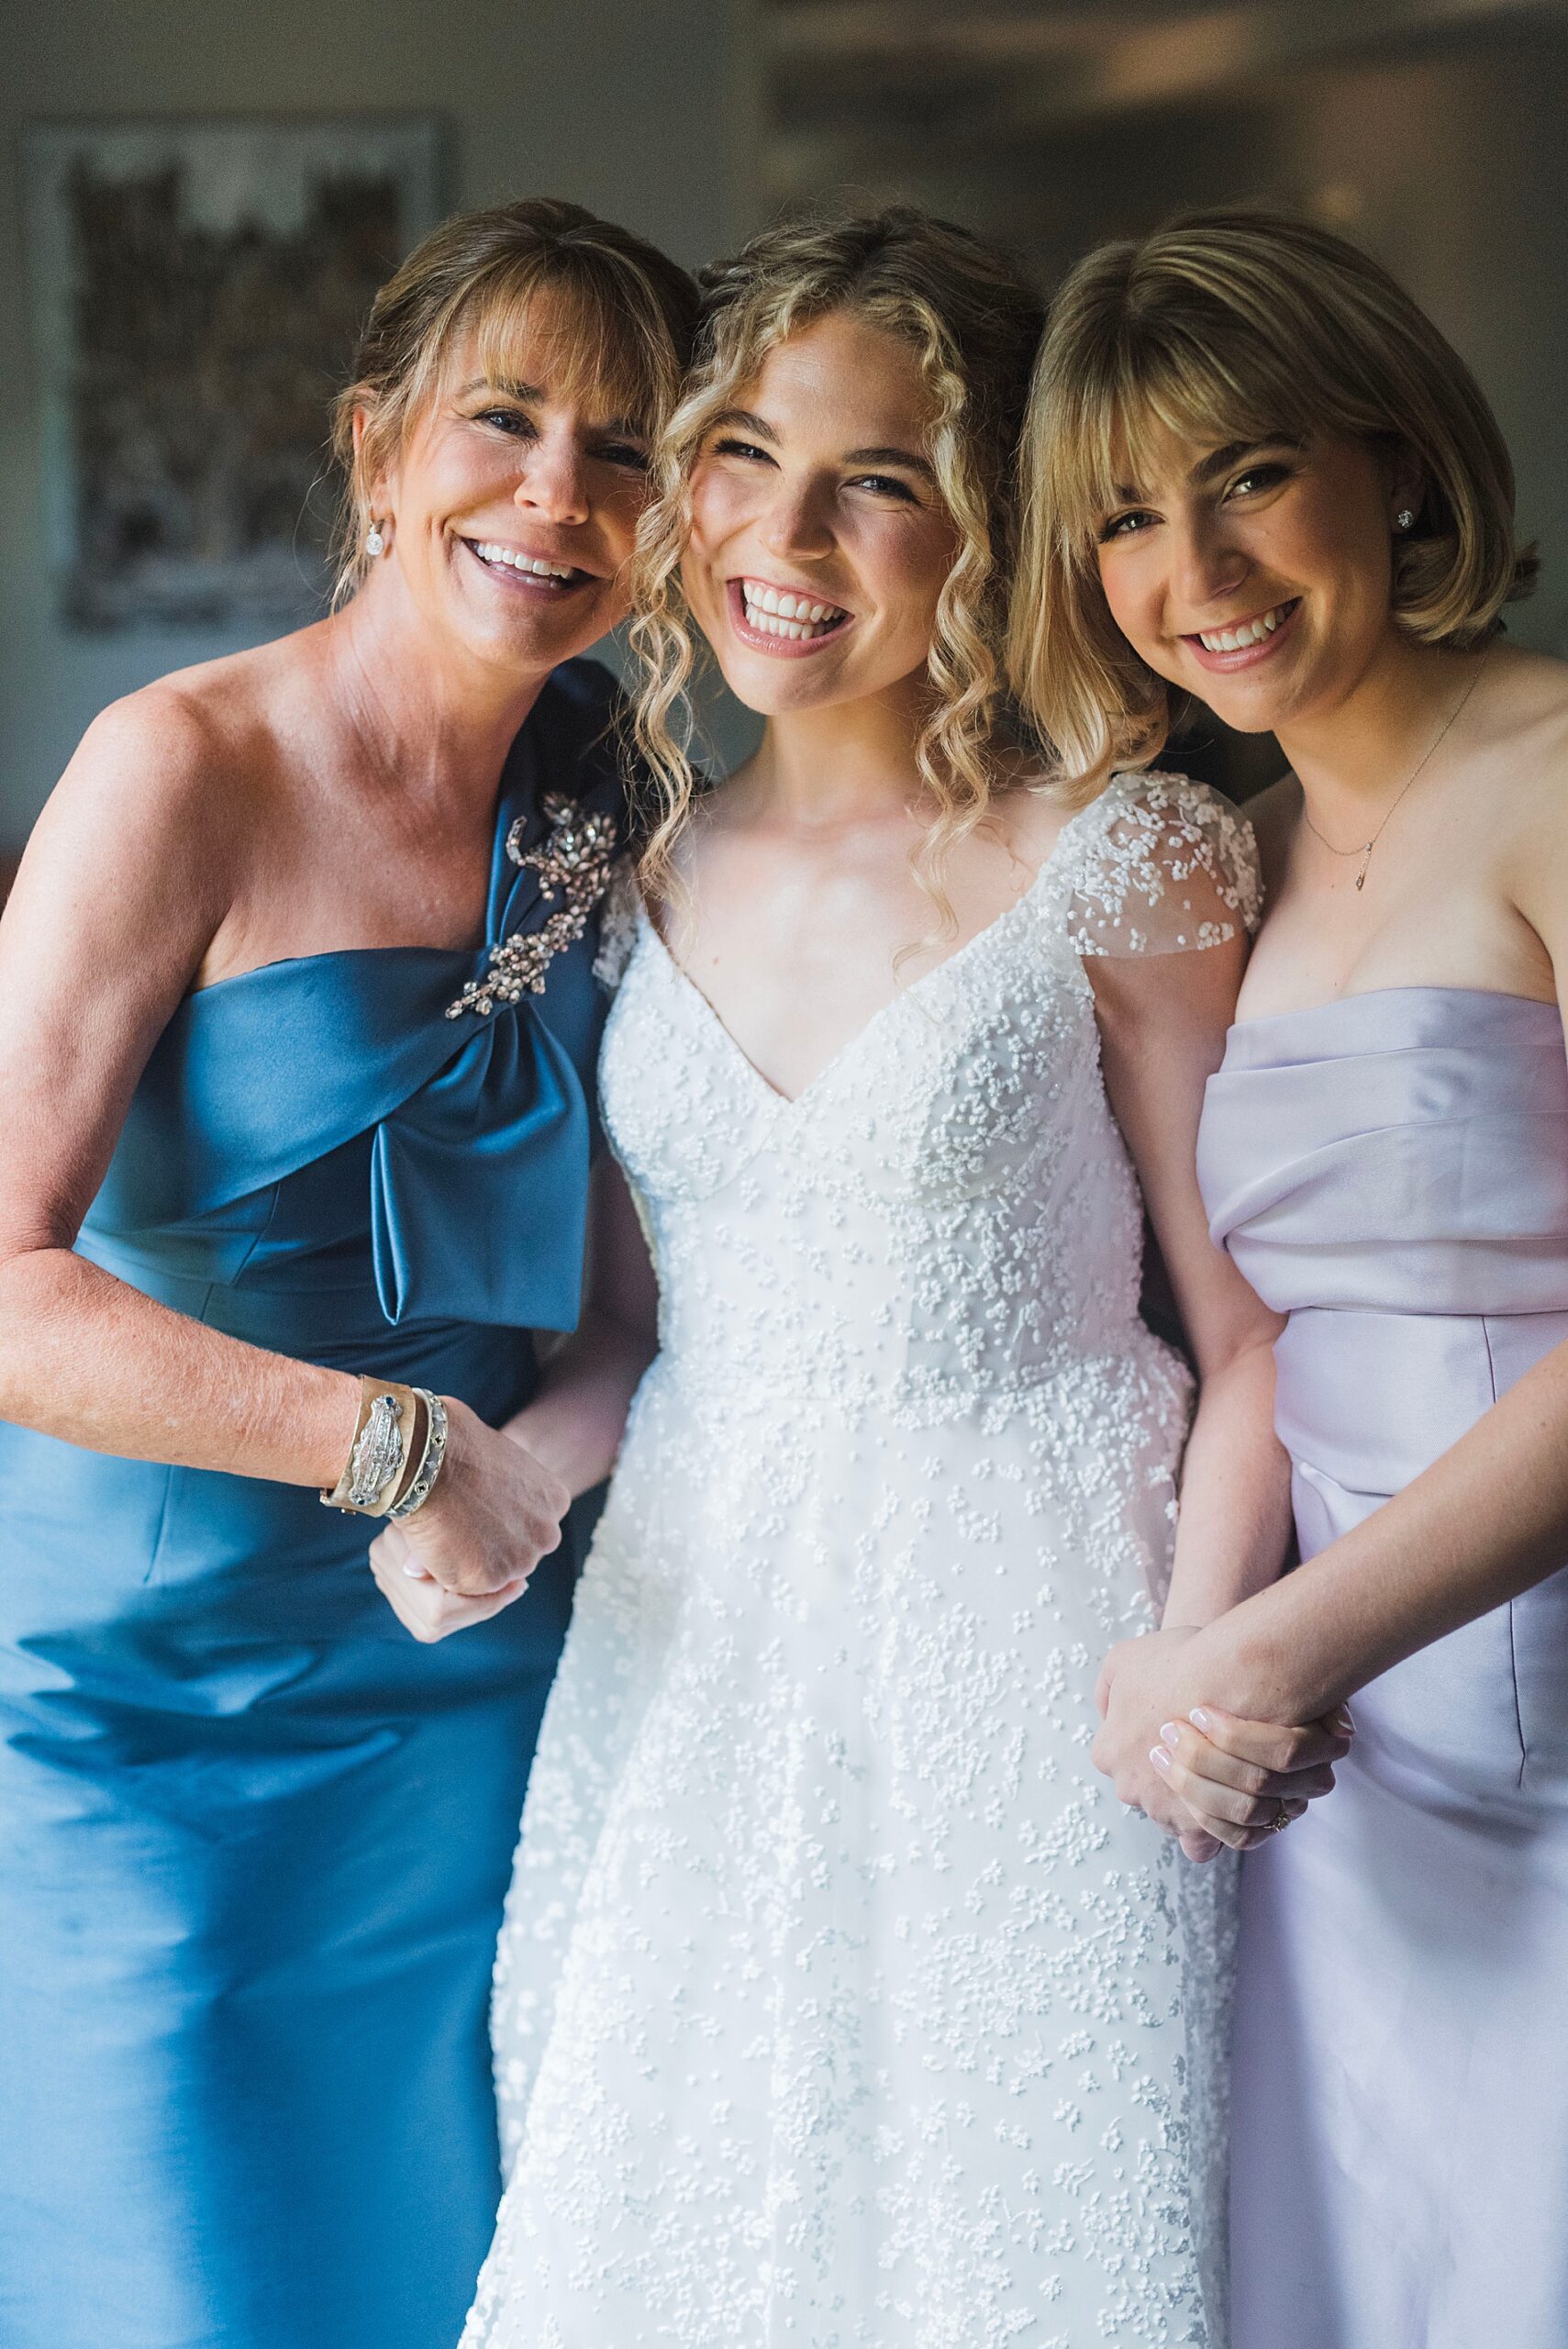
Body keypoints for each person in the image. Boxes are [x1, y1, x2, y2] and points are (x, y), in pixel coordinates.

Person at [432, 205, 1340, 2349]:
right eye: (741, 451)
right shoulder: (635, 862)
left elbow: (1249, 1330)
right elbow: (636, 1333)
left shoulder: (1126, 848)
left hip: (1047, 1639)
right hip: (706, 1651)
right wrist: (510, 1474)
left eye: (881, 481)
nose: (786, 531)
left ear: (989, 532)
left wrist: (1198, 1655)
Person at [0, 198, 696, 2349]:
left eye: (629, 447)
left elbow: (618, 1310)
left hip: (480, 1681)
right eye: (505, 419)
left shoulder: (613, 783)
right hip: (156, 1715)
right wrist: (395, 1446)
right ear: (380, 447)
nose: (558, 493)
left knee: (461, 2271)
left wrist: (529, 1481)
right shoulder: (176, 768)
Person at [1013, 204, 1568, 2349]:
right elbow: (1252, 1331)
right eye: (1130, 517)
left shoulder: (1547, 770)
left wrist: (1263, 1652)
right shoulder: (1220, 853)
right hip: (1334, 1761)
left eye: (1249, 473)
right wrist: (1217, 1668)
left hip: (1498, 1680)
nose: (1200, 572)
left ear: (1399, 455)